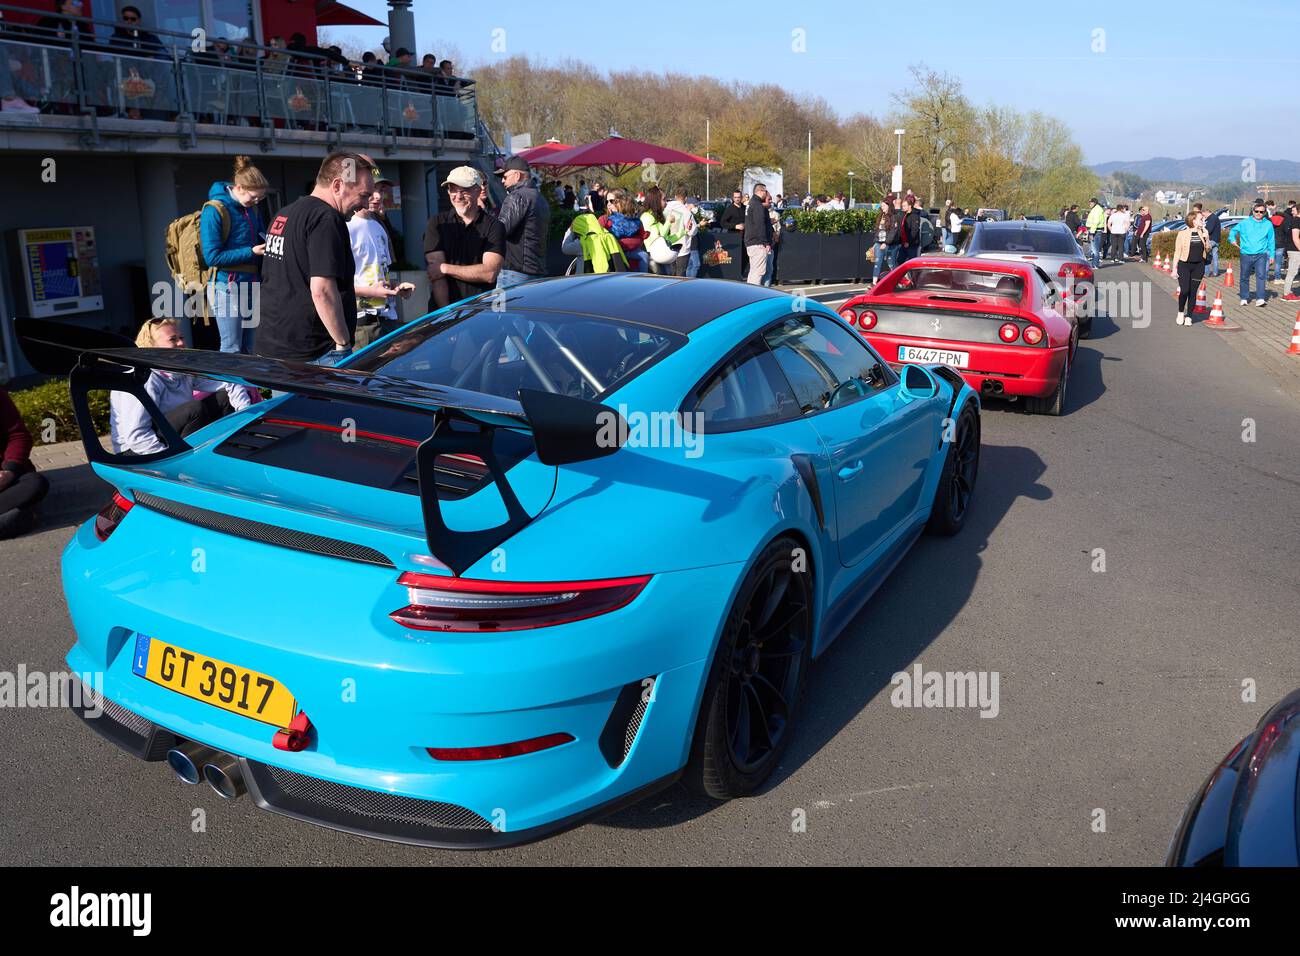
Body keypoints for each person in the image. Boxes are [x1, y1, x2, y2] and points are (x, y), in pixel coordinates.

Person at [257, 151, 374, 365]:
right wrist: (343, 343)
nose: (366, 204)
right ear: (338, 186)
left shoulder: (284, 213)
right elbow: (322, 291)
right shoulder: (326, 218)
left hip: (273, 346)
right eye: (364, 195)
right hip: (313, 353)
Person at [110, 319, 252, 457]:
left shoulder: (178, 369)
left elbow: (226, 381)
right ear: (151, 346)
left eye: (182, 337)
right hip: (135, 451)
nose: (181, 343)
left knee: (224, 398)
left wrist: (246, 415)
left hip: (167, 433)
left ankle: (228, 448)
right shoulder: (145, 378)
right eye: (173, 339)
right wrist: (170, 461)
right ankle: (189, 460)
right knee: (194, 410)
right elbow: (136, 436)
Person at [202, 156, 267, 354]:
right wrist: (251, 251)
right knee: (232, 346)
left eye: (260, 199)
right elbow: (212, 257)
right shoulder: (214, 210)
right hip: (225, 286)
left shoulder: (252, 209)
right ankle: (234, 386)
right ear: (238, 188)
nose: (256, 202)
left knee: (252, 346)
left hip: (251, 283)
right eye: (253, 197)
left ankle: (251, 386)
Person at [424, 165, 505, 308]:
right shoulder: (436, 223)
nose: (458, 196)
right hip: (443, 313)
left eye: (464, 190)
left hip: (481, 311)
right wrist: (447, 314)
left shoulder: (494, 226)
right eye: (452, 190)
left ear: (478, 190)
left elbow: (490, 273)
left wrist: (445, 268)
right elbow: (437, 277)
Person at [349, 171, 414, 347]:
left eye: (381, 190)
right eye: (371, 190)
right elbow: (336, 284)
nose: (377, 196)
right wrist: (373, 292)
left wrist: (395, 288)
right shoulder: (346, 227)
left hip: (387, 319)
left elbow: (380, 273)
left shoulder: (379, 226)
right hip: (361, 324)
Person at [494, 155, 550, 288]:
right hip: (536, 271)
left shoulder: (517, 196)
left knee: (502, 309)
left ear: (517, 175)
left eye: (505, 176)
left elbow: (500, 231)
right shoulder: (540, 198)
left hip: (515, 273)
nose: (502, 181)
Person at [0, 387, 49, 539]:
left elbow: (18, 435)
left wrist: (9, 471)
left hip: (6, 479)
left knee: (35, 483)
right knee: (20, 516)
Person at [1229, 203, 1276, 307]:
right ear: (1253, 211)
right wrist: (1232, 239)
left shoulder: (1268, 224)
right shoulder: (1245, 223)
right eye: (1257, 211)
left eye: (1261, 212)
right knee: (1244, 276)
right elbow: (1233, 231)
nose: (1259, 213)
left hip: (1261, 254)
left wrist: (1272, 255)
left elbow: (1271, 240)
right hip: (1246, 254)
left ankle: (1260, 298)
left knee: (1261, 276)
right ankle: (1244, 297)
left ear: (1265, 213)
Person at [1171, 211, 1210, 326]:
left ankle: (1189, 316)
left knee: (1193, 292)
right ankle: (1181, 312)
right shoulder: (1182, 234)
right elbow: (1177, 251)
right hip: (1184, 265)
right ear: (1193, 220)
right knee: (1185, 290)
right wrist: (1174, 268)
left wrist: (1207, 239)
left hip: (1199, 266)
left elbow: (1207, 249)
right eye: (1200, 219)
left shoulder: (1203, 232)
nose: (1203, 221)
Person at [599, 189, 649, 271]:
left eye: (611, 201)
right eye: (606, 202)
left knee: (644, 255)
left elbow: (641, 240)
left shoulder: (634, 220)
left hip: (635, 267)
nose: (608, 204)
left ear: (622, 201)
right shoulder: (604, 220)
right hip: (614, 265)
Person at [664, 186, 698, 277]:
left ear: (675, 196)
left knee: (670, 275)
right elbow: (692, 231)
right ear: (686, 198)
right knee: (680, 276)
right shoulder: (686, 212)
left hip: (668, 246)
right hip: (682, 249)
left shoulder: (666, 209)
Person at [743, 183, 773, 285]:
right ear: (760, 191)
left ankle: (749, 294)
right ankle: (752, 296)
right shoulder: (757, 205)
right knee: (758, 273)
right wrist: (766, 243)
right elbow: (760, 225)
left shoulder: (752, 203)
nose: (766, 193)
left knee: (753, 272)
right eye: (765, 191)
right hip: (757, 243)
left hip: (751, 242)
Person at [1281, 201, 1300, 301]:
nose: (1292, 212)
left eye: (1294, 210)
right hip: (1295, 250)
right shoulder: (1296, 221)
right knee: (1292, 272)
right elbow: (1295, 238)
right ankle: (1287, 294)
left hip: (1295, 250)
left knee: (1293, 271)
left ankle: (1287, 292)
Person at [1202, 203, 1228, 276]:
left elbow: (1209, 230)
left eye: (1203, 215)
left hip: (1211, 240)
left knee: (1207, 257)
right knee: (1215, 257)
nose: (1204, 217)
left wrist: (1203, 230)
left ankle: (1206, 273)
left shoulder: (1212, 219)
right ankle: (1215, 272)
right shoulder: (1215, 218)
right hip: (1216, 240)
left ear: (1206, 212)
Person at [896, 196, 923, 264]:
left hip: (912, 244)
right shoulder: (903, 214)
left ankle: (913, 274)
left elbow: (914, 230)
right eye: (902, 206)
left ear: (910, 206)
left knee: (912, 263)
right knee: (900, 260)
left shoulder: (915, 215)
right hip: (903, 243)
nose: (903, 207)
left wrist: (908, 242)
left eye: (904, 206)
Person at [1267, 199, 1288, 282]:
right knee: (1278, 263)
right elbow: (1286, 231)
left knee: (1267, 261)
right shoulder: (1284, 221)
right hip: (1281, 243)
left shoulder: (1269, 220)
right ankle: (1277, 278)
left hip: (1270, 243)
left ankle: (1265, 277)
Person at [1085, 198, 1106, 268]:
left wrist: (1091, 233)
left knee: (1094, 249)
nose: (1089, 204)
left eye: (1090, 203)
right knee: (1094, 249)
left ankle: (1095, 265)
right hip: (1096, 231)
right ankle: (1094, 264)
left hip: (1095, 231)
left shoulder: (1096, 210)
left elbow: (1095, 222)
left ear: (1094, 203)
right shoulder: (1097, 209)